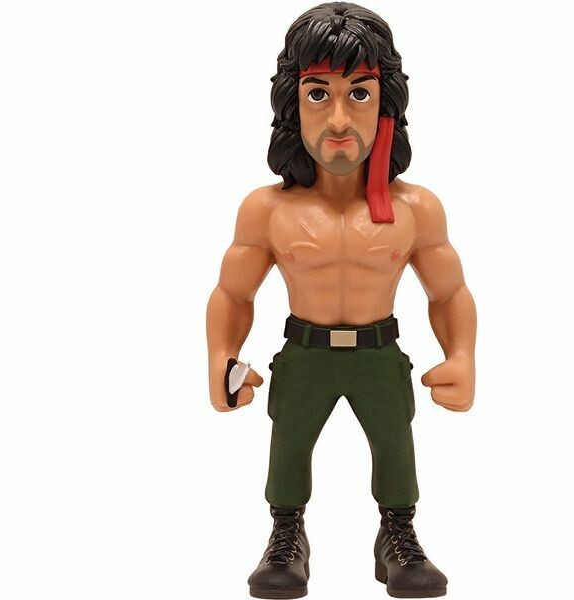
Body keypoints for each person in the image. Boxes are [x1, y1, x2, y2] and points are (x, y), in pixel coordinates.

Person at [206, 3, 476, 598]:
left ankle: (398, 535)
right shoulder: (267, 210)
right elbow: (233, 292)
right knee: (289, 444)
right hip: (305, 350)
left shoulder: (416, 209)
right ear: (291, 104)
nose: (337, 118)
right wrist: (221, 356)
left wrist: (462, 356)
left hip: (379, 351)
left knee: (395, 443)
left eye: (358, 94)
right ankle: (286, 535)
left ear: (386, 106)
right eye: (317, 93)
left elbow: (449, 291)